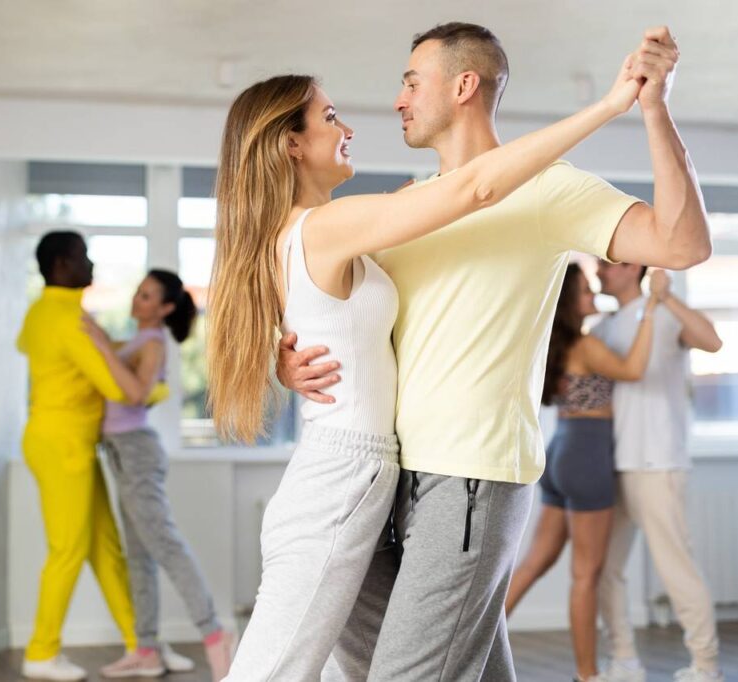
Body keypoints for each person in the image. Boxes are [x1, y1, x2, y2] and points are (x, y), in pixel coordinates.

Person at [278, 22, 711, 681]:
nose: (398, 100)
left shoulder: (552, 189)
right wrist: (285, 365)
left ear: (464, 85)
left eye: (410, 81)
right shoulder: (405, 208)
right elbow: (341, 320)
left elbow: (680, 246)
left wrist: (653, 110)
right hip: (390, 478)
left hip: (471, 473)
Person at [208, 44, 642, 679]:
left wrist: (284, 360)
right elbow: (477, 186)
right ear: (291, 145)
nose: (348, 127)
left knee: (389, 666)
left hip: (366, 474)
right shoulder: (325, 228)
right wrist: (608, 107)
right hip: (339, 480)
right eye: (330, 118)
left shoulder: (326, 232)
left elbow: (333, 320)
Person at [18, 231, 168, 681]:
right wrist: (157, 386)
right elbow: (120, 387)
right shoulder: (70, 321)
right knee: (68, 549)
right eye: (83, 255)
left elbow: (38, 348)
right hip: (62, 445)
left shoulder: (45, 312)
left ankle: (140, 647)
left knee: (106, 548)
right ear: (63, 265)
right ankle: (41, 652)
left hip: (65, 442)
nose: (91, 262)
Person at [504, 263, 659, 681]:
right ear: (570, 302)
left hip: (561, 450)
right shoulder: (584, 345)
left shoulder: (552, 344)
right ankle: (588, 675)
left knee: (537, 561)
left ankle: (476, 643)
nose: (594, 296)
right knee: (586, 575)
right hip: (588, 453)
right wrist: (653, 306)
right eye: (587, 292)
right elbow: (633, 370)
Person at [84, 270, 234, 681]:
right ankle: (146, 649)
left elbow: (134, 392)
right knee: (139, 557)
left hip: (135, 452)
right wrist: (92, 328)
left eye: (148, 296)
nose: (137, 299)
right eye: (138, 291)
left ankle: (215, 634)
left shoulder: (152, 343)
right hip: (120, 452)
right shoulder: (135, 339)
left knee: (166, 546)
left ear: (165, 308)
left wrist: (99, 343)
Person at [594, 262, 724, 682]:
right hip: (614, 464)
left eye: (607, 264)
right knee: (606, 569)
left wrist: (664, 295)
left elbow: (713, 341)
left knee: (676, 567)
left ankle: (706, 665)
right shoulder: (602, 330)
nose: (598, 269)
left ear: (634, 270)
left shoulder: (665, 314)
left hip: (658, 462)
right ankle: (625, 660)